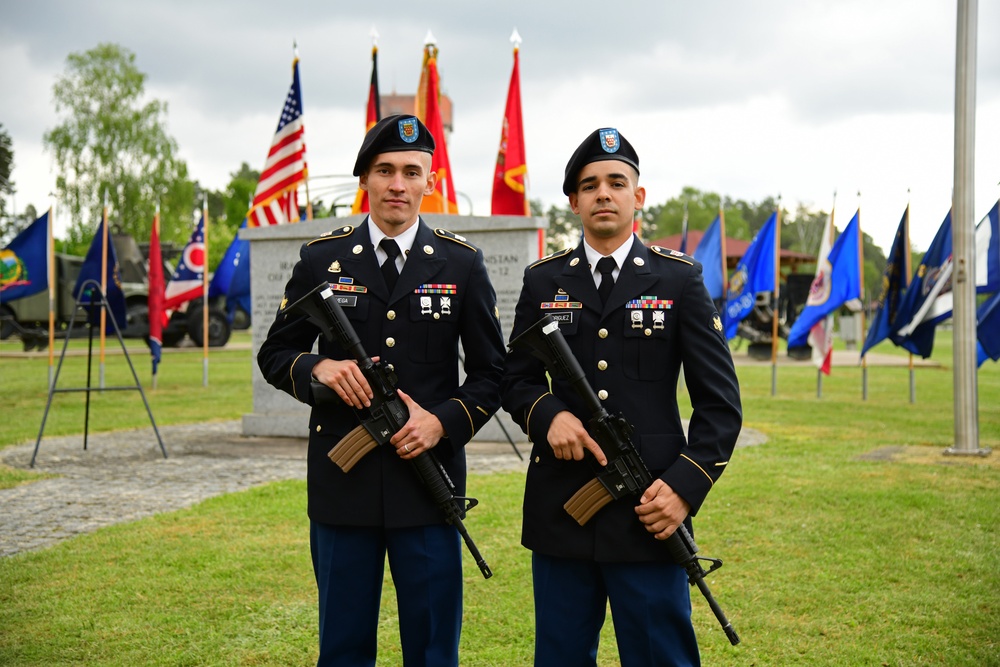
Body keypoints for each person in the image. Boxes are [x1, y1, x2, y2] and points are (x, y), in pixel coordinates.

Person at [258, 114, 505, 667]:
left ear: (429, 182)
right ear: (364, 181)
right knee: (343, 646)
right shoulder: (322, 259)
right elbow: (275, 354)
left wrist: (443, 420)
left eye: (411, 172)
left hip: (429, 484)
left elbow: (494, 373)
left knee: (433, 646)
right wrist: (316, 370)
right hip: (343, 485)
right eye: (385, 170)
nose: (398, 183)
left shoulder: (461, 264)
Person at [501, 128, 742, 667]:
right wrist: (548, 416)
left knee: (661, 656)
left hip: (649, 509)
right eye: (589, 185)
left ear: (639, 196)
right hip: (564, 506)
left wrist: (683, 489)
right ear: (573, 202)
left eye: (616, 182)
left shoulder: (679, 280)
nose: (603, 193)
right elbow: (514, 379)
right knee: (560, 656)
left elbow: (720, 405)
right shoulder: (543, 282)